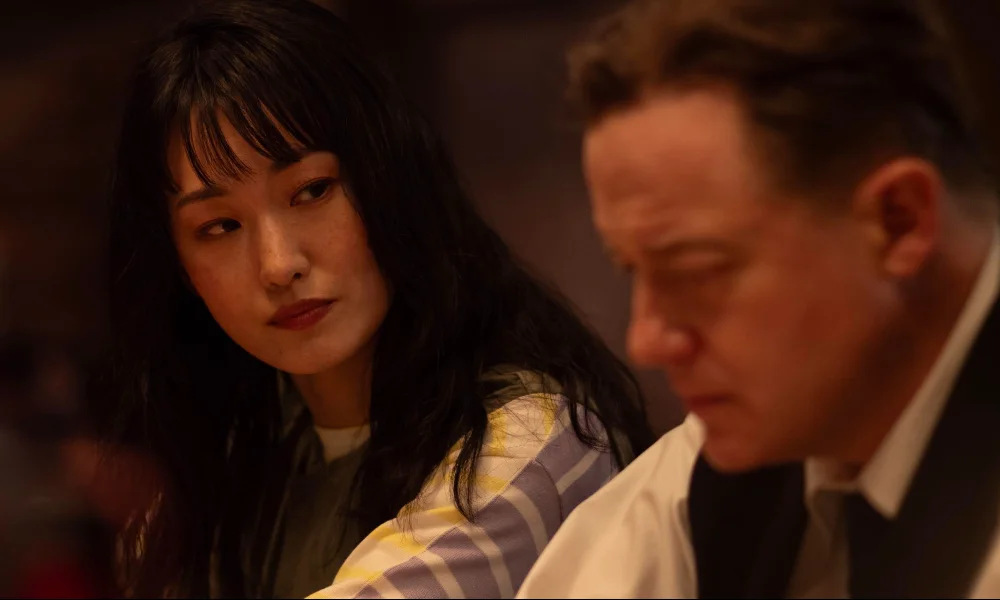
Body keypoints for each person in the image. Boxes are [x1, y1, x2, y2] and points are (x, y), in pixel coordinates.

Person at [89, 0, 656, 597]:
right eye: (220, 226)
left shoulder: (529, 443)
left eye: (312, 190)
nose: (279, 264)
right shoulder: (220, 470)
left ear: (390, 175)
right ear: (177, 265)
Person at [517, 0, 1000, 597]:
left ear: (898, 221)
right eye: (632, 271)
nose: (645, 342)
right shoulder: (734, 453)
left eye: (698, 271)